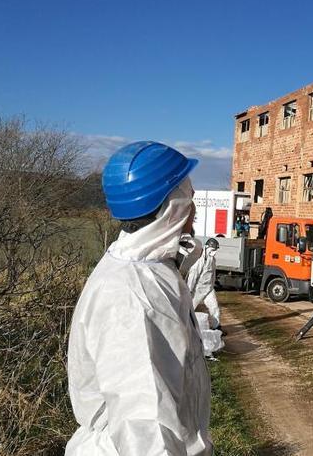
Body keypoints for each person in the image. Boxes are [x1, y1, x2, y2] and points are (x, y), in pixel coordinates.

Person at [66, 141, 212, 456]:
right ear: (175, 205)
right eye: (190, 197)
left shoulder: (145, 267)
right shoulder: (134, 296)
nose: (195, 207)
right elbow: (145, 430)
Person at [188, 238, 220, 330]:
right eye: (213, 250)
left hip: (209, 289)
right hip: (198, 289)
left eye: (215, 250)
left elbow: (213, 274)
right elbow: (193, 275)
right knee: (190, 309)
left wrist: (212, 285)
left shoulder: (212, 260)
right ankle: (185, 327)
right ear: (207, 248)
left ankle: (216, 326)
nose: (214, 252)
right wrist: (189, 289)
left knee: (214, 307)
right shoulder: (201, 261)